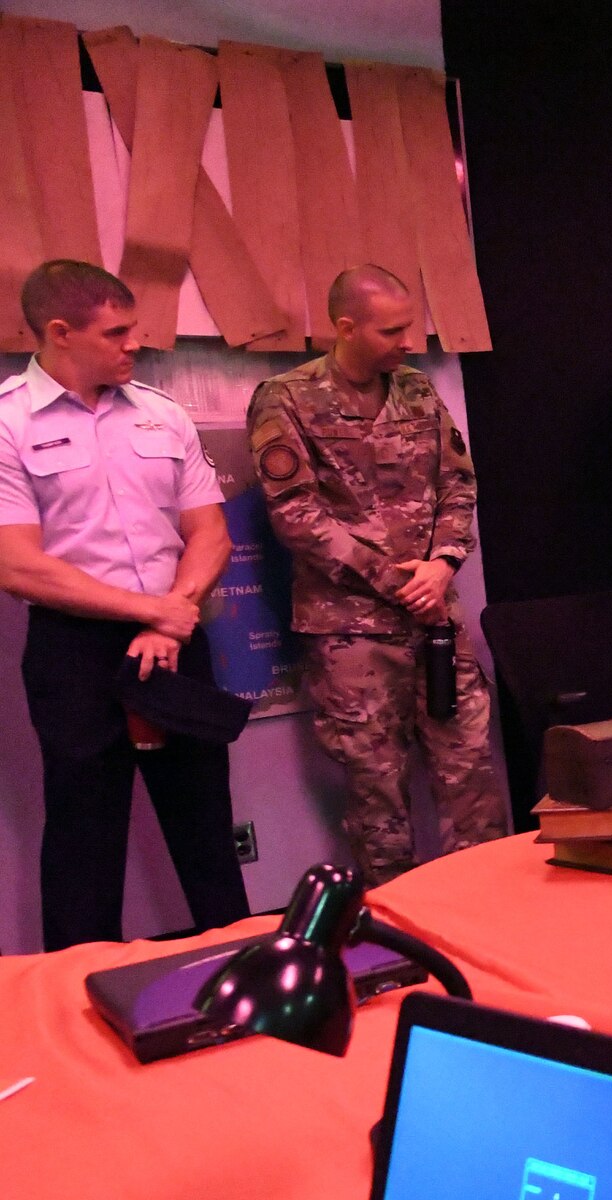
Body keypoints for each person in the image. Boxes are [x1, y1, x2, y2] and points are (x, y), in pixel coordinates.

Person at [0, 260, 250, 949]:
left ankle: (237, 971)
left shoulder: (162, 413)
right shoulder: (9, 424)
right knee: (84, 832)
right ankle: (77, 996)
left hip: (176, 629)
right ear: (60, 332)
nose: (133, 344)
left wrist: (174, 609)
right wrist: (149, 613)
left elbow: (210, 532)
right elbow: (17, 564)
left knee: (204, 818)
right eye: (115, 333)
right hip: (76, 648)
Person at [248, 265, 507, 888]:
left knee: (469, 773)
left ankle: (492, 913)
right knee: (377, 791)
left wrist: (442, 564)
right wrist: (398, 582)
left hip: (435, 620)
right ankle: (397, 926)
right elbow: (297, 516)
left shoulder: (417, 391)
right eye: (392, 330)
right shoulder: (286, 399)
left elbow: (458, 484)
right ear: (346, 327)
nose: (408, 342)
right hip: (351, 635)